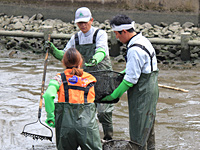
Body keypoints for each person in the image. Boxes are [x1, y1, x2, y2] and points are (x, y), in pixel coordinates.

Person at [47, 7, 114, 141]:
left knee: (103, 112)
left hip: (103, 76)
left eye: (85, 22)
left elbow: (101, 51)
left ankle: (108, 138)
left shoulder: (100, 34)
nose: (83, 25)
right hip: (85, 80)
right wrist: (54, 50)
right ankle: (90, 138)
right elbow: (65, 56)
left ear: (91, 20)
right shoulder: (75, 38)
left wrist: (95, 59)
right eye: (79, 23)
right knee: (86, 110)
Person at [102, 14, 159, 150]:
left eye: (117, 34)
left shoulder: (134, 49)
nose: (116, 37)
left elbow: (131, 79)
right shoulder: (142, 40)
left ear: (125, 32)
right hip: (151, 90)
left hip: (142, 94)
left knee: (138, 133)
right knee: (148, 129)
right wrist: (123, 72)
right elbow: (140, 67)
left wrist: (114, 95)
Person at [43, 48, 102, 150]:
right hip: (87, 126)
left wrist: (51, 116)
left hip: (65, 126)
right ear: (81, 62)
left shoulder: (59, 78)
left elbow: (48, 95)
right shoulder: (90, 79)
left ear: (63, 62)